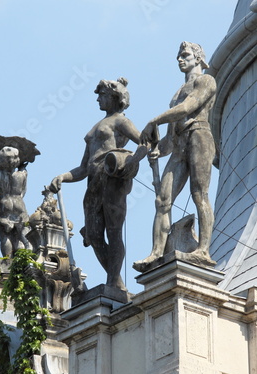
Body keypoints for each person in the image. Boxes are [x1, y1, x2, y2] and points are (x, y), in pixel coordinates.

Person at [50, 77, 146, 292]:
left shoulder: (121, 121)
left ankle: (113, 282)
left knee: (113, 232)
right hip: (93, 181)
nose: (98, 99)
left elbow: (145, 142)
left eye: (102, 94)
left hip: (112, 177)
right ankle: (116, 279)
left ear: (115, 97)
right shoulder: (95, 128)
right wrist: (63, 176)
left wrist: (131, 161)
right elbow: (83, 168)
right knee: (93, 234)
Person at [133, 42, 216, 272]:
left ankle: (203, 250)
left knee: (200, 194)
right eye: (179, 56)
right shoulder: (175, 94)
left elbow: (189, 107)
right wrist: (159, 149)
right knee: (162, 200)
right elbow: (170, 137)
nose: (180, 59)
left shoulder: (206, 81)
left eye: (185, 55)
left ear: (198, 58)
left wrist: (154, 120)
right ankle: (156, 253)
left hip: (199, 136)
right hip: (179, 145)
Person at [0, 137, 32, 257]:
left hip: (4, 205)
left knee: (5, 236)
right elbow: (24, 191)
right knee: (23, 235)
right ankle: (25, 257)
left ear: (0, 161)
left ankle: (7, 260)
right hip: (19, 205)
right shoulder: (22, 174)